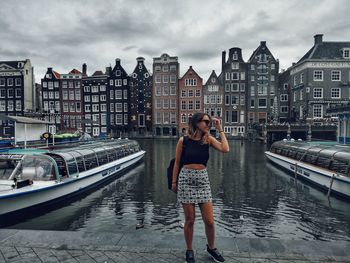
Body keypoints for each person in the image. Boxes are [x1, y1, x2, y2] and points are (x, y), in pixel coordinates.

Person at [172, 112, 229, 263]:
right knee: (190, 220)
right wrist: (173, 182)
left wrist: (220, 129)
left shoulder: (208, 139)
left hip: (203, 180)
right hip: (186, 180)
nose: (208, 124)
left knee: (209, 221)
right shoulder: (183, 140)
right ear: (196, 123)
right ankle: (189, 251)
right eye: (205, 122)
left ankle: (211, 248)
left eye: (209, 122)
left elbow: (225, 149)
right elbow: (177, 163)